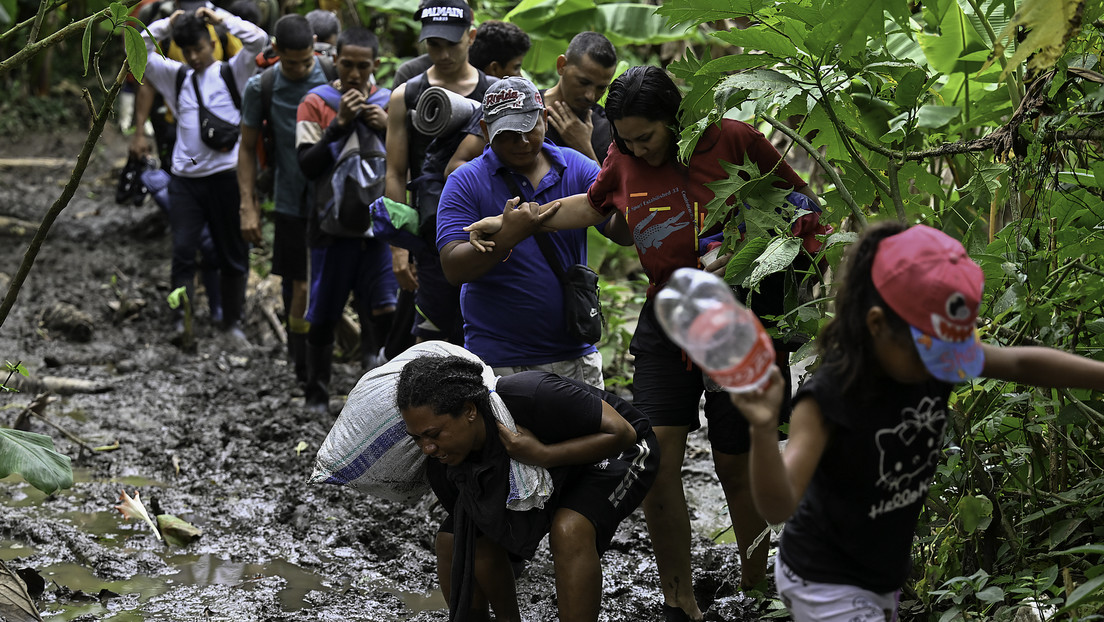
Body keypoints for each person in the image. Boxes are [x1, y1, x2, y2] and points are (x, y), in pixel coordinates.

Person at [462, 66, 827, 621]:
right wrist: (515, 222)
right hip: (666, 311)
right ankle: (679, 600)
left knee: (735, 461)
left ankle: (757, 586)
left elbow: (804, 211)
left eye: (646, 139)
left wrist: (760, 250)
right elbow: (595, 204)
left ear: (675, 121)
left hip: (739, 313)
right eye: (625, 141)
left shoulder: (729, 139)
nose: (635, 150)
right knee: (656, 457)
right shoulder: (625, 156)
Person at [728, 221, 1104, 621]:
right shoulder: (828, 398)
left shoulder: (936, 355)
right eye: (932, 352)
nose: (944, 365)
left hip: (880, 573)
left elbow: (1022, 362)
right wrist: (763, 429)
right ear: (877, 325)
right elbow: (780, 503)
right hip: (824, 578)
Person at [396, 354, 659, 622]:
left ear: (469, 411)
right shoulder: (443, 465)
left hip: (617, 452)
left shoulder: (530, 393)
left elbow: (624, 433)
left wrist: (543, 454)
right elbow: (483, 541)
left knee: (569, 529)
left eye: (434, 434)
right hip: (554, 471)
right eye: (416, 438)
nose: (427, 448)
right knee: (455, 540)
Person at [437, 77, 604, 386]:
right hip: (499, 360)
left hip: (574, 355)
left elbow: (619, 229)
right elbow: (452, 267)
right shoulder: (464, 182)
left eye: (529, 128)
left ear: (543, 118)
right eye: (509, 135)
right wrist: (507, 237)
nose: (523, 142)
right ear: (486, 132)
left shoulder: (577, 167)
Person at [140, 6, 266, 344]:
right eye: (189, 51)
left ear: (211, 43)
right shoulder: (176, 76)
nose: (195, 57)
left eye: (200, 48)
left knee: (232, 252)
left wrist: (221, 17)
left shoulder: (233, 72)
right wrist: (167, 24)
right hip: (185, 182)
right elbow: (138, 47)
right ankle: (181, 321)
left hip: (227, 178)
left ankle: (232, 322)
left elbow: (260, 40)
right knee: (183, 250)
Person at [295, 26, 398, 414]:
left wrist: (386, 125)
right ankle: (316, 395)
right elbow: (307, 165)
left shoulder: (390, 102)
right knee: (324, 310)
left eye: (363, 66)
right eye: (348, 65)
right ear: (335, 61)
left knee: (383, 307)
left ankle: (378, 398)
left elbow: (408, 160)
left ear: (374, 65)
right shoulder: (315, 102)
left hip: (380, 227)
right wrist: (338, 125)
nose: (355, 73)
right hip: (329, 228)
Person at [385, 0, 497, 346]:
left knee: (483, 330)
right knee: (431, 333)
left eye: (452, 43)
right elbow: (394, 170)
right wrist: (399, 247)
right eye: (435, 44)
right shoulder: (407, 94)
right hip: (431, 229)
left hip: (488, 228)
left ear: (471, 37)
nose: (444, 53)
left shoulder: (494, 92)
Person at [238, 14, 337, 389]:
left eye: (305, 61)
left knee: (325, 282)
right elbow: (246, 148)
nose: (298, 69)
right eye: (290, 62)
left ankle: (318, 355)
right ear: (275, 50)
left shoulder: (330, 73)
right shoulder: (261, 86)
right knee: (297, 284)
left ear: (314, 47)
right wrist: (247, 205)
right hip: (290, 199)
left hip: (333, 200)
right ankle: (301, 367)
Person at [446, 31, 616, 175]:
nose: (590, 95)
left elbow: (613, 199)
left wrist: (584, 149)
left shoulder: (606, 128)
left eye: (601, 88)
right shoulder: (513, 101)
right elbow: (456, 166)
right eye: (583, 82)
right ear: (561, 65)